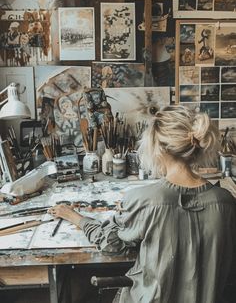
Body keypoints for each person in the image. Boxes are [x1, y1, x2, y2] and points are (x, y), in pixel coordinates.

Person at [48, 105, 236, 303]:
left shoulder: (143, 199)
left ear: (159, 149)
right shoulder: (226, 202)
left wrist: (74, 217)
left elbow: (110, 244)